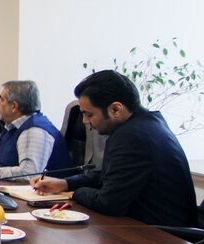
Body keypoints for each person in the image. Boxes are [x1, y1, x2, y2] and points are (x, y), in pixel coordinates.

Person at [32, 71, 197, 227]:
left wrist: (74, 194)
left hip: (160, 236)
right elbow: (110, 174)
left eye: (89, 114)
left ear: (116, 109)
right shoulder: (148, 123)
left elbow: (108, 203)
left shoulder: (132, 136)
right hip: (151, 228)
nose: (85, 121)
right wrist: (65, 184)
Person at [0, 80, 71, 179]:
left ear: (14, 107)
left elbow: (29, 174)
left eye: (1, 99)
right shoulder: (12, 127)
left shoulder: (34, 130)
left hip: (44, 195)